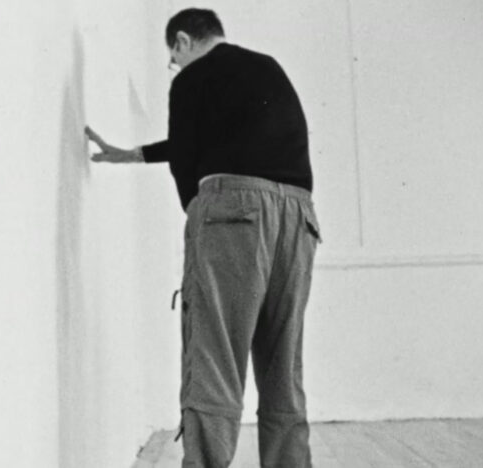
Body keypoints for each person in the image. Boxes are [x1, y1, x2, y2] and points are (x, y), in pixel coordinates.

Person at [85, 8, 321, 467]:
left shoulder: (192, 79)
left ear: (182, 41)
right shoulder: (266, 67)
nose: (175, 66)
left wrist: (202, 215)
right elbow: (221, 138)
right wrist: (132, 154)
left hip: (234, 215)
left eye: (173, 58)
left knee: (214, 356)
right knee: (283, 365)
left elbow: (186, 158)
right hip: (298, 215)